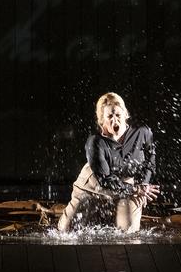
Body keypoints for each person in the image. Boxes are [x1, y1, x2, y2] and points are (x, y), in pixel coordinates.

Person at [57, 92, 160, 233]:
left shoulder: (142, 133)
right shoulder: (95, 142)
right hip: (93, 186)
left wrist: (144, 184)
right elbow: (105, 180)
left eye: (118, 115)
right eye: (109, 117)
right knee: (67, 231)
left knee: (128, 230)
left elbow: (150, 159)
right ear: (102, 121)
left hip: (126, 186)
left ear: (125, 114)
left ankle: (115, 217)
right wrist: (136, 190)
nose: (115, 120)